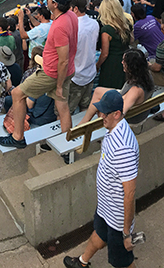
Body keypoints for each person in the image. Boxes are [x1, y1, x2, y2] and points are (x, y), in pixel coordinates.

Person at [62, 91, 138, 268]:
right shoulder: (112, 129)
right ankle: (82, 262)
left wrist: (126, 233)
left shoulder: (123, 147)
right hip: (106, 206)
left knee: (124, 263)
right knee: (100, 233)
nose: (100, 115)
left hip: (117, 218)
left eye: (104, 112)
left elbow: (130, 193)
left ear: (117, 114)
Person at [1, 0, 77, 148]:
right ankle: (66, 142)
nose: (46, 1)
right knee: (62, 105)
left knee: (17, 94)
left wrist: (57, 85)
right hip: (66, 69)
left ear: (55, 4)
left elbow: (62, 60)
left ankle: (17, 137)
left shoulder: (59, 26)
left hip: (52, 72)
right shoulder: (70, 15)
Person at [78, 49, 152, 124]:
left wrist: (103, 112)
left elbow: (120, 112)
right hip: (129, 100)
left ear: (131, 65)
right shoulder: (145, 76)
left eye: (124, 61)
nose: (122, 62)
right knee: (97, 91)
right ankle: (83, 123)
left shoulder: (135, 90)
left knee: (99, 105)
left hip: (133, 117)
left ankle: (82, 125)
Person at [96, 0, 133, 89]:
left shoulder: (107, 29)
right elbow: (131, 40)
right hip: (127, 59)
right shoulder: (127, 23)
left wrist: (97, 65)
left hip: (111, 64)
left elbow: (104, 53)